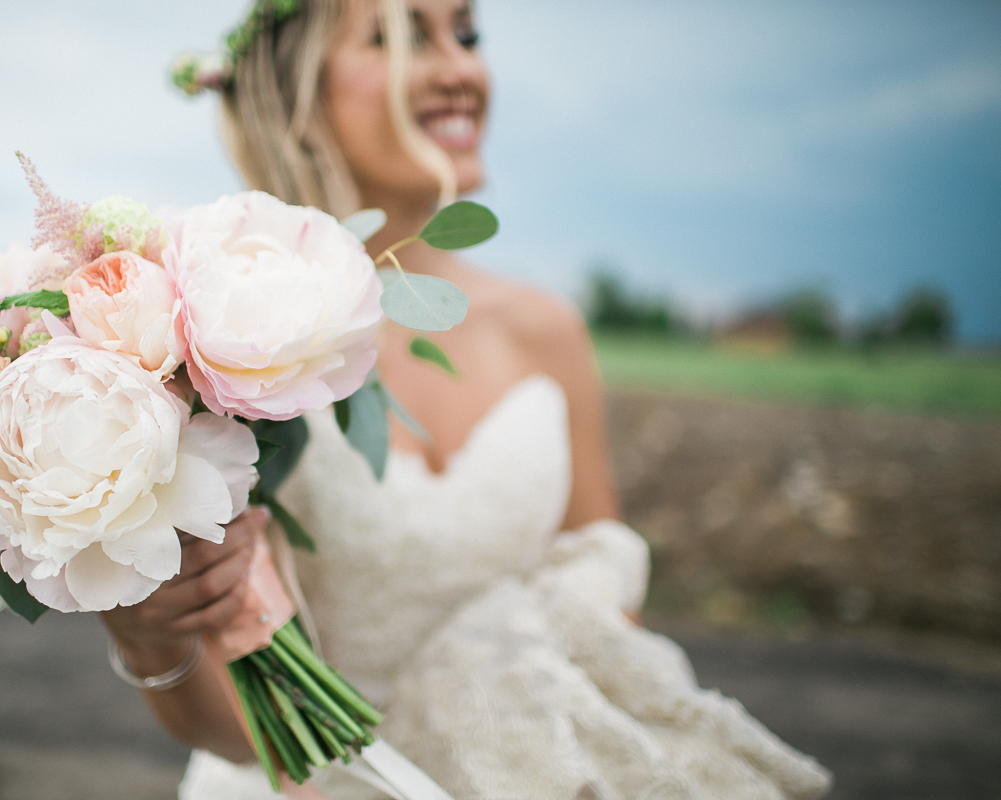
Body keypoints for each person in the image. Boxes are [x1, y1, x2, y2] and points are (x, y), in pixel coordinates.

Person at [102, 1, 833, 798]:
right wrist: (148, 643)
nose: (459, 70)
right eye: (402, 36)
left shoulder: (546, 331)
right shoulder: (218, 344)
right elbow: (249, 733)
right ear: (297, 92)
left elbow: (605, 611)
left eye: (466, 33)